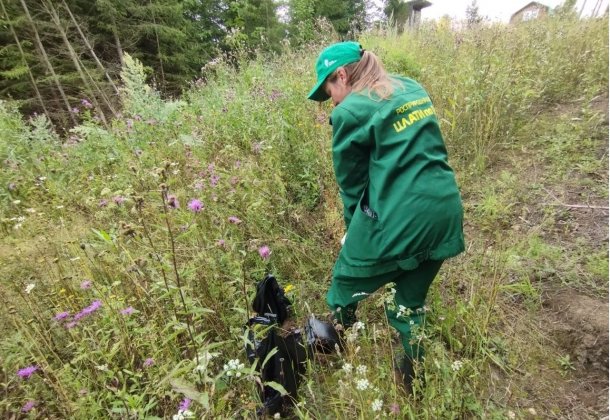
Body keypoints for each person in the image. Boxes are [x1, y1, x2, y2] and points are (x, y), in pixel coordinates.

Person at [307, 41, 465, 392]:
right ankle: (412, 381)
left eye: (329, 90)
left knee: (346, 278)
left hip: (403, 218)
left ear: (342, 75)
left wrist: (354, 235)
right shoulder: (411, 87)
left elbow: (352, 185)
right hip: (446, 209)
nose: (331, 100)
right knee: (410, 302)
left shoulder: (348, 113)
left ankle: (337, 332)